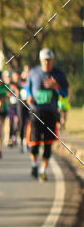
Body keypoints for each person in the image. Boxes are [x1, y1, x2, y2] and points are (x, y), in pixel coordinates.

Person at [25, 48, 68, 181]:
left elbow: (65, 94)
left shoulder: (59, 74)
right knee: (34, 144)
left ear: (53, 60)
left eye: (49, 60)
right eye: (45, 60)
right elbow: (27, 88)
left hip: (51, 113)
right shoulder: (33, 72)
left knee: (48, 145)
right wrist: (29, 96)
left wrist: (57, 87)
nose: (47, 63)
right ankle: (34, 164)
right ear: (41, 60)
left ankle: (43, 170)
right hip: (36, 112)